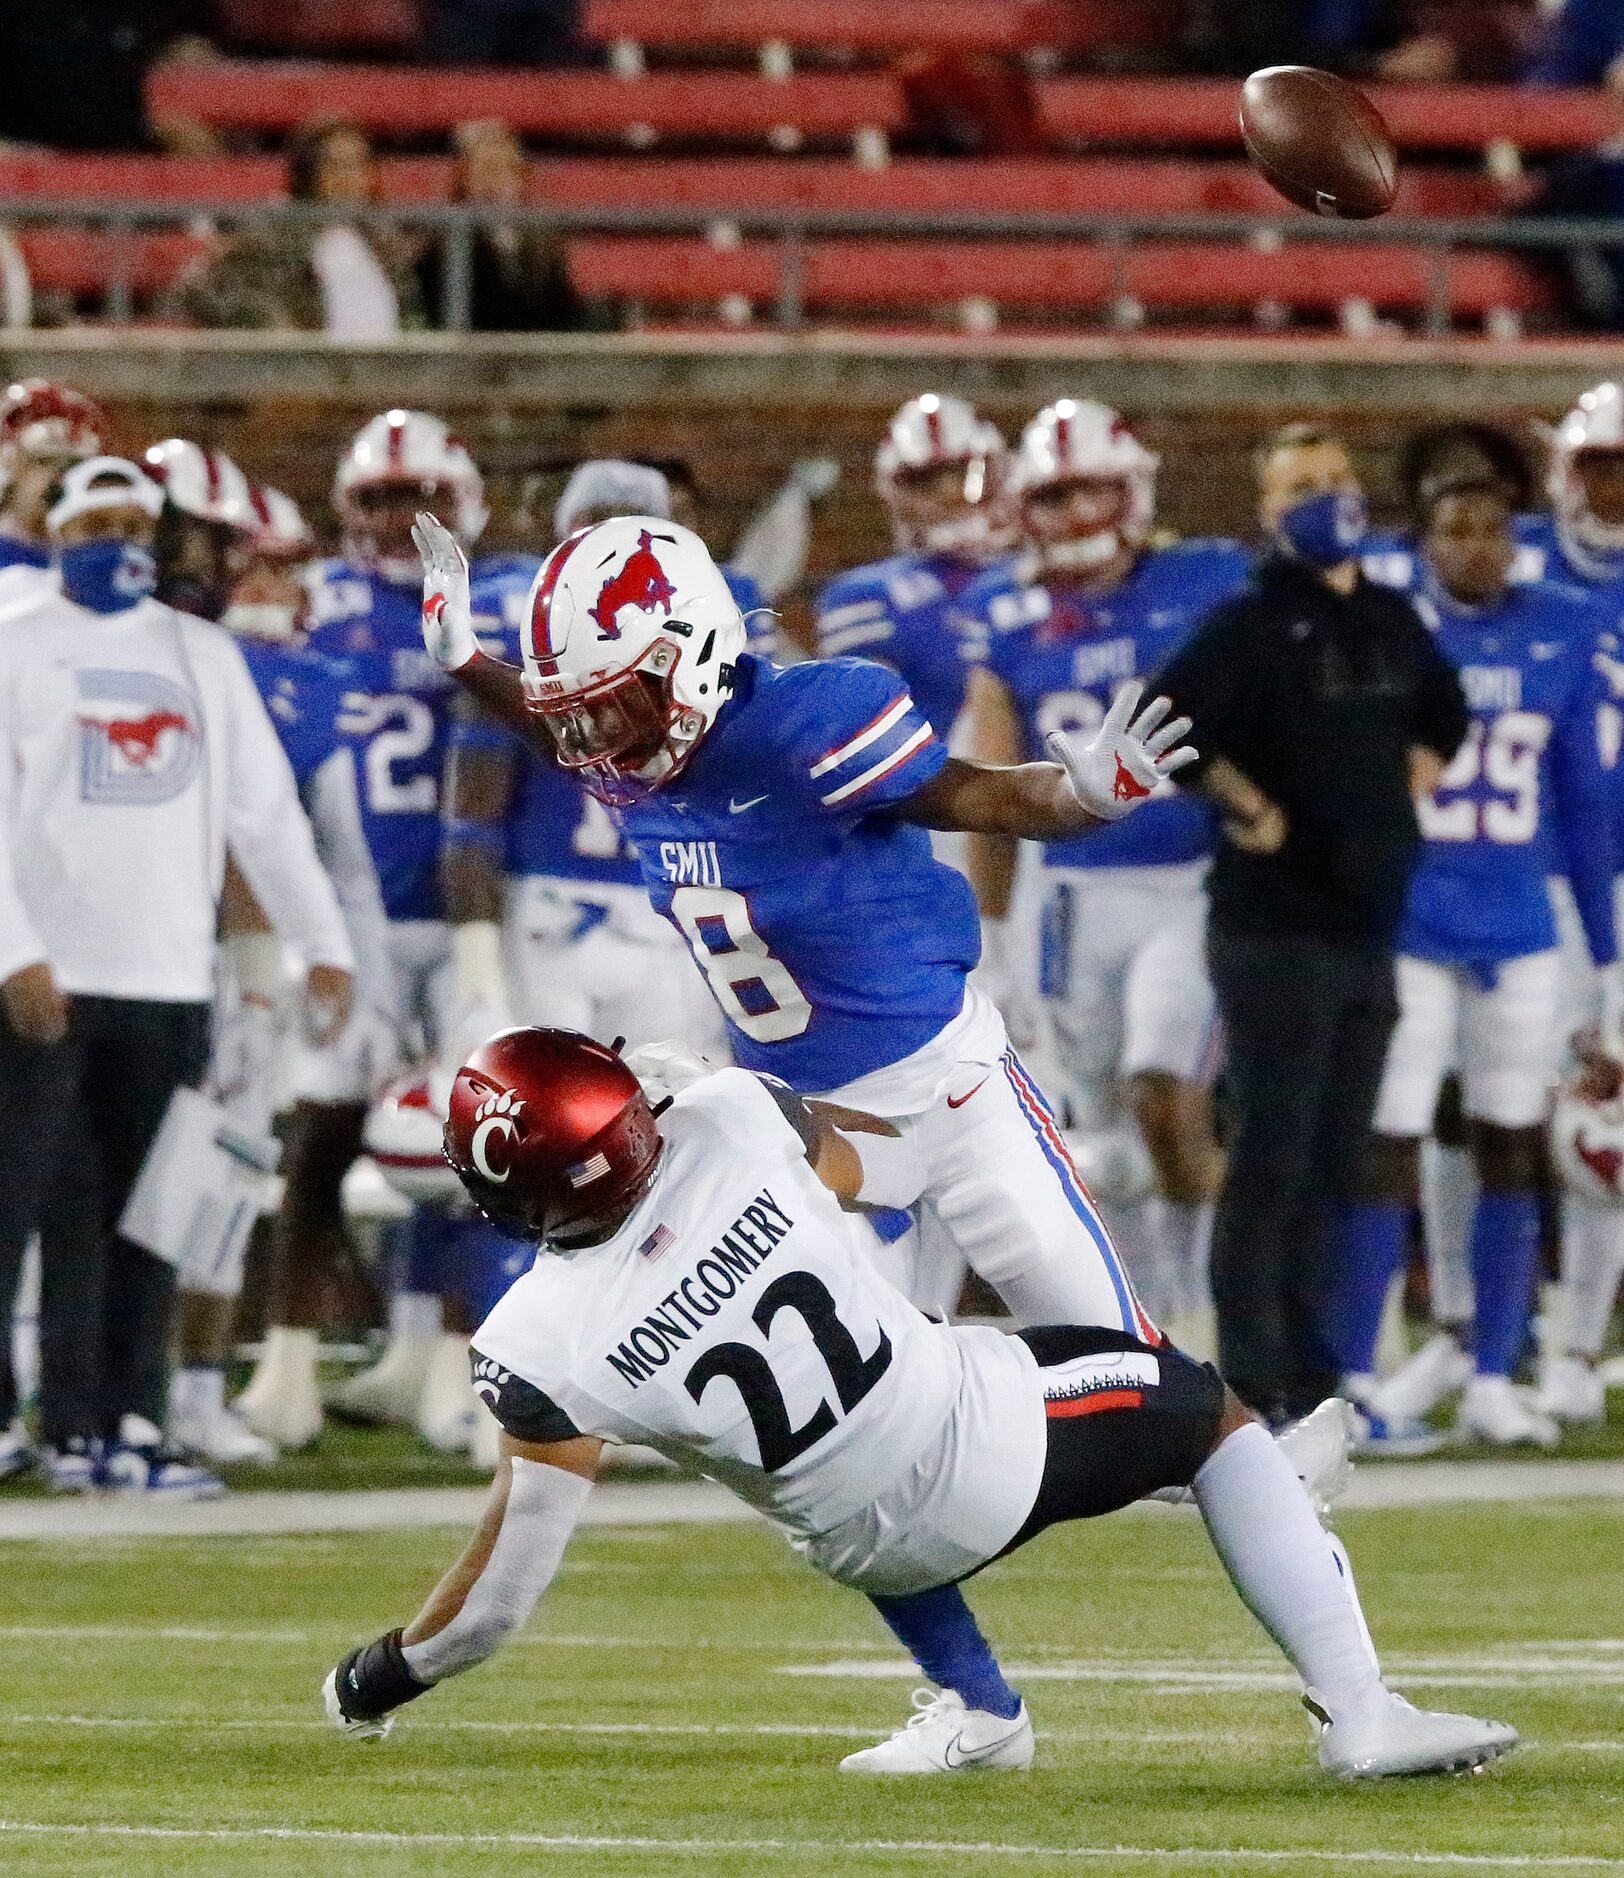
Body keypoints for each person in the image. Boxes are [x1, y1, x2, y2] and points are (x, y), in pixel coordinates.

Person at [323, 1024, 1518, 1783]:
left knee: (849, 1445)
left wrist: (373, 1679)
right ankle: (1359, 1710)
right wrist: (741, 1097)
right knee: (1209, 1415)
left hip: (861, 1544)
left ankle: (979, 1708)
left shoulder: (537, 1345)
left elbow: (496, 1601)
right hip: (982, 1442)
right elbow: (882, 1165)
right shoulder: (733, 1121)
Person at [415, 505, 1196, 1352]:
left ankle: (1255, 1468)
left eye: (616, 703)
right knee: (863, 1403)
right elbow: (553, 722)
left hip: (949, 1087)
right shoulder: (632, 766)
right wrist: (465, 661)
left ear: (691, 658)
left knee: (1122, 1362)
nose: (592, 737)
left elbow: (971, 794)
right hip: (806, 1129)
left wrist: (1077, 799)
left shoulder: (805, 727)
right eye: (582, 711)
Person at [0, 457, 354, 1495]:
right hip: (51, 977)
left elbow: (262, 813)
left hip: (166, 976)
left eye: (134, 523)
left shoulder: (201, 654)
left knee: (153, 1215)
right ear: (60, 532)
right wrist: (14, 949)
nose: (120, 541)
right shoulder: (17, 647)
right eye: (98, 520)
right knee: (32, 1208)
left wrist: (318, 940)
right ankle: (59, 1425)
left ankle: (130, 1423)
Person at [1153, 425, 1470, 1423]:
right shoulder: (1249, 623)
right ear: (1267, 509)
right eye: (1301, 485)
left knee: (1339, 1158)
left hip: (1367, 925)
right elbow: (1164, 723)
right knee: (1272, 1152)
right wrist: (1249, 806)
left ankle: (1320, 1375)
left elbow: (1446, 716)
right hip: (1272, 929)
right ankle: (1250, 1380)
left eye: (1335, 478)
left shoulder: (1386, 614)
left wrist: (1392, 798)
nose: (1325, 497)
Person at [958, 401, 1251, 1336]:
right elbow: (993, 788)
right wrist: (994, 931)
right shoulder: (1005, 614)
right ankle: (1138, 1329)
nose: (1078, 511)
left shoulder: (1207, 581)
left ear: (1132, 488)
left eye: (1092, 488)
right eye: (1057, 493)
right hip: (1070, 897)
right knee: (1106, 1141)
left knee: (1165, 1093)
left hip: (1187, 885)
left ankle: (1199, 1308)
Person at [1341, 476, 1620, 1450]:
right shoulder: (1388, 630)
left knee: (1512, 1142)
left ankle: (1497, 1369)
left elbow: (1586, 811)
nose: (1476, 548)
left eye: (1492, 530)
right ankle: (1351, 1372)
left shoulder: (1561, 628)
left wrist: (1610, 959)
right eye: (1454, 530)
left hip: (1518, 926)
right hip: (1412, 919)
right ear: (1420, 543)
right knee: (1393, 1140)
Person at [242, 411, 488, 1452]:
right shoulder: (325, 603)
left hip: (478, 911)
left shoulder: (503, 598)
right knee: (327, 1129)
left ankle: (457, 1361)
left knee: (482, 1140)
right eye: (380, 500)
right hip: (358, 905)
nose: (399, 519)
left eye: (417, 496)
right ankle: (287, 1361)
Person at [815, 393, 1012, 740]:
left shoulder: (1034, 580)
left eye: (963, 473)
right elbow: (869, 736)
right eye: (925, 481)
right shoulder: (866, 595)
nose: (950, 492)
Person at [168, 118, 421, 336]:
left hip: (388, 380)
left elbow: (411, 315)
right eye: (334, 165)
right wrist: (270, 329)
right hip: (306, 378)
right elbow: (198, 289)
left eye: (357, 165)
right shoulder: (275, 232)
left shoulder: (383, 240)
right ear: (308, 174)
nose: (348, 178)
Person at [417, 120, 587, 334]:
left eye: (505, 169)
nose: (494, 182)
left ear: (522, 178)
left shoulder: (545, 246)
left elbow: (565, 313)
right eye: (485, 169)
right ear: (463, 180)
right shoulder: (441, 247)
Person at [0, 379, 103, 597]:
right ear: (9, 463)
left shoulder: (94, 560)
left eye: (74, 464)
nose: (60, 477)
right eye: (45, 461)